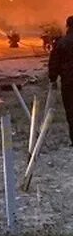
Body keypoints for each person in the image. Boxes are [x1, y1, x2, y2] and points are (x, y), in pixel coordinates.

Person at [48, 15, 73, 147]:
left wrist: (53, 79)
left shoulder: (61, 43)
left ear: (67, 26)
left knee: (71, 110)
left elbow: (54, 63)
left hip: (68, 83)